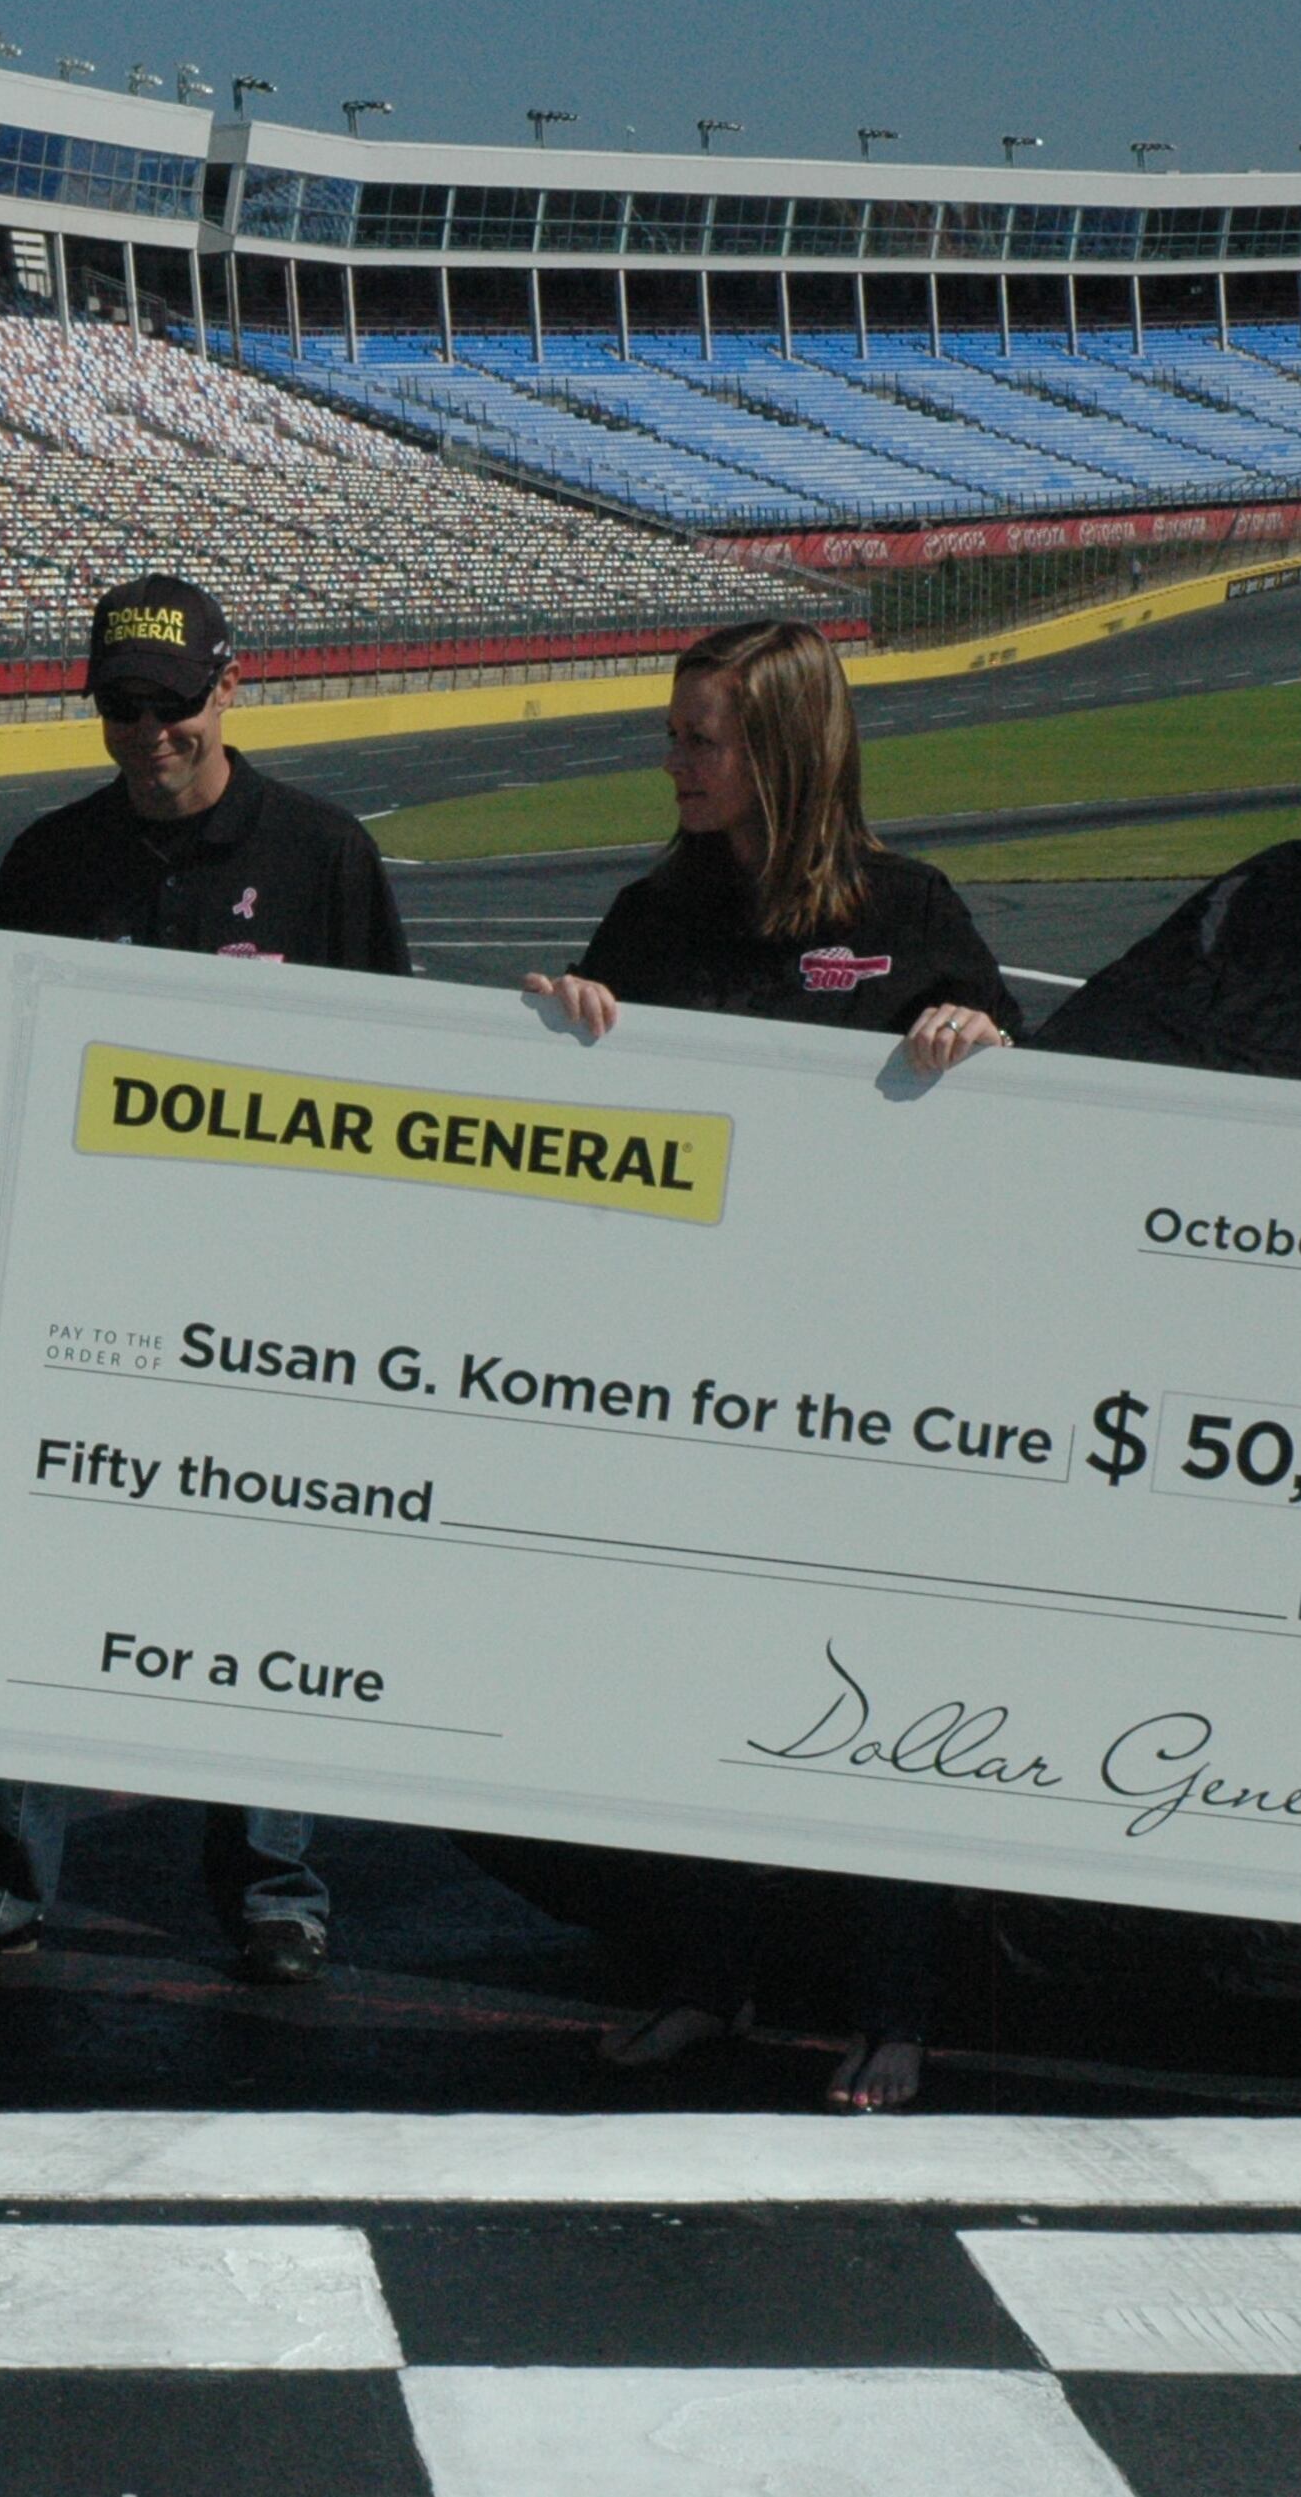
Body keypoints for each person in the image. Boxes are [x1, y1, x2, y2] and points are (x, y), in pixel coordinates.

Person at [525, 615, 1018, 2114]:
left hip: (878, 1386)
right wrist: (566, 1031)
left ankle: (893, 2009)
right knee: (686, 1689)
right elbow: (582, 1139)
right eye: (674, 736)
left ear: (788, 749)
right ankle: (700, 1978)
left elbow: (1035, 1139)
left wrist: (981, 1038)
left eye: (704, 739)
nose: (676, 763)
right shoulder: (650, 916)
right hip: (691, 1378)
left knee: (875, 1700)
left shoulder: (908, 908)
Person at [0, 575, 410, 1989]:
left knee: (261, 1581)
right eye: (120, 706)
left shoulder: (323, 854)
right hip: (93, 1281)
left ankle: (274, 1882)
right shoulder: (49, 861)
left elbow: (397, 1082)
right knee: (41, 1568)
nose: (149, 732)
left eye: (173, 703)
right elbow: (12, 1084)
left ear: (228, 687)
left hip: (282, 1290)